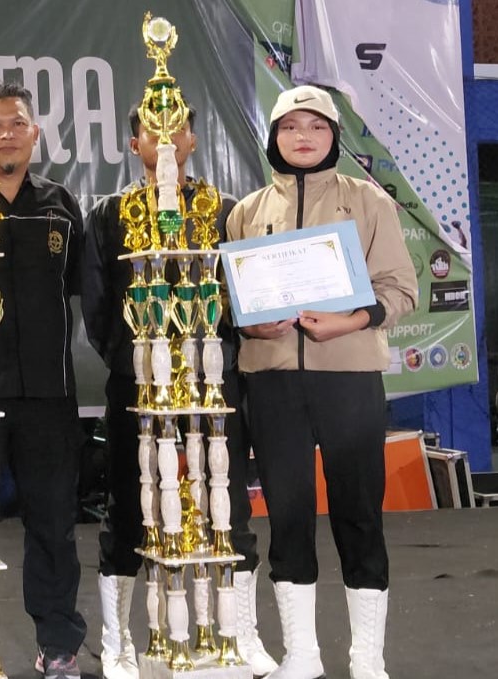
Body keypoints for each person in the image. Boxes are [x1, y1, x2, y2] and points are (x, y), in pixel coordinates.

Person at [225, 85, 417, 679]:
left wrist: (349, 321)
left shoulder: (369, 202)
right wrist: (252, 326)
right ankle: (301, 655)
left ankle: (367, 658)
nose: (301, 137)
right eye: (289, 127)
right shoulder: (246, 211)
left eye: (315, 126)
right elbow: (235, 304)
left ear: (334, 135)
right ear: (274, 137)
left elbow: (401, 290)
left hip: (350, 380)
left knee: (359, 514)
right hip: (274, 382)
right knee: (287, 514)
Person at [81, 103, 277, 678]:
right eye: (152, 130)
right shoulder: (110, 214)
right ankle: (118, 640)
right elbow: (97, 306)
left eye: (176, 129)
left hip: (215, 381)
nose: (165, 139)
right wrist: (139, 365)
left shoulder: (224, 210)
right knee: (128, 506)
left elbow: (243, 293)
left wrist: (219, 361)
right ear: (133, 142)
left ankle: (242, 632)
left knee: (231, 504)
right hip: (138, 385)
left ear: (193, 138)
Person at [0, 81, 87, 679]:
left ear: (34, 133)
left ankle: (58, 642)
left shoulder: (61, 203)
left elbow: (92, 293)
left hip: (49, 397)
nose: (5, 133)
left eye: (16, 124)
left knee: (53, 526)